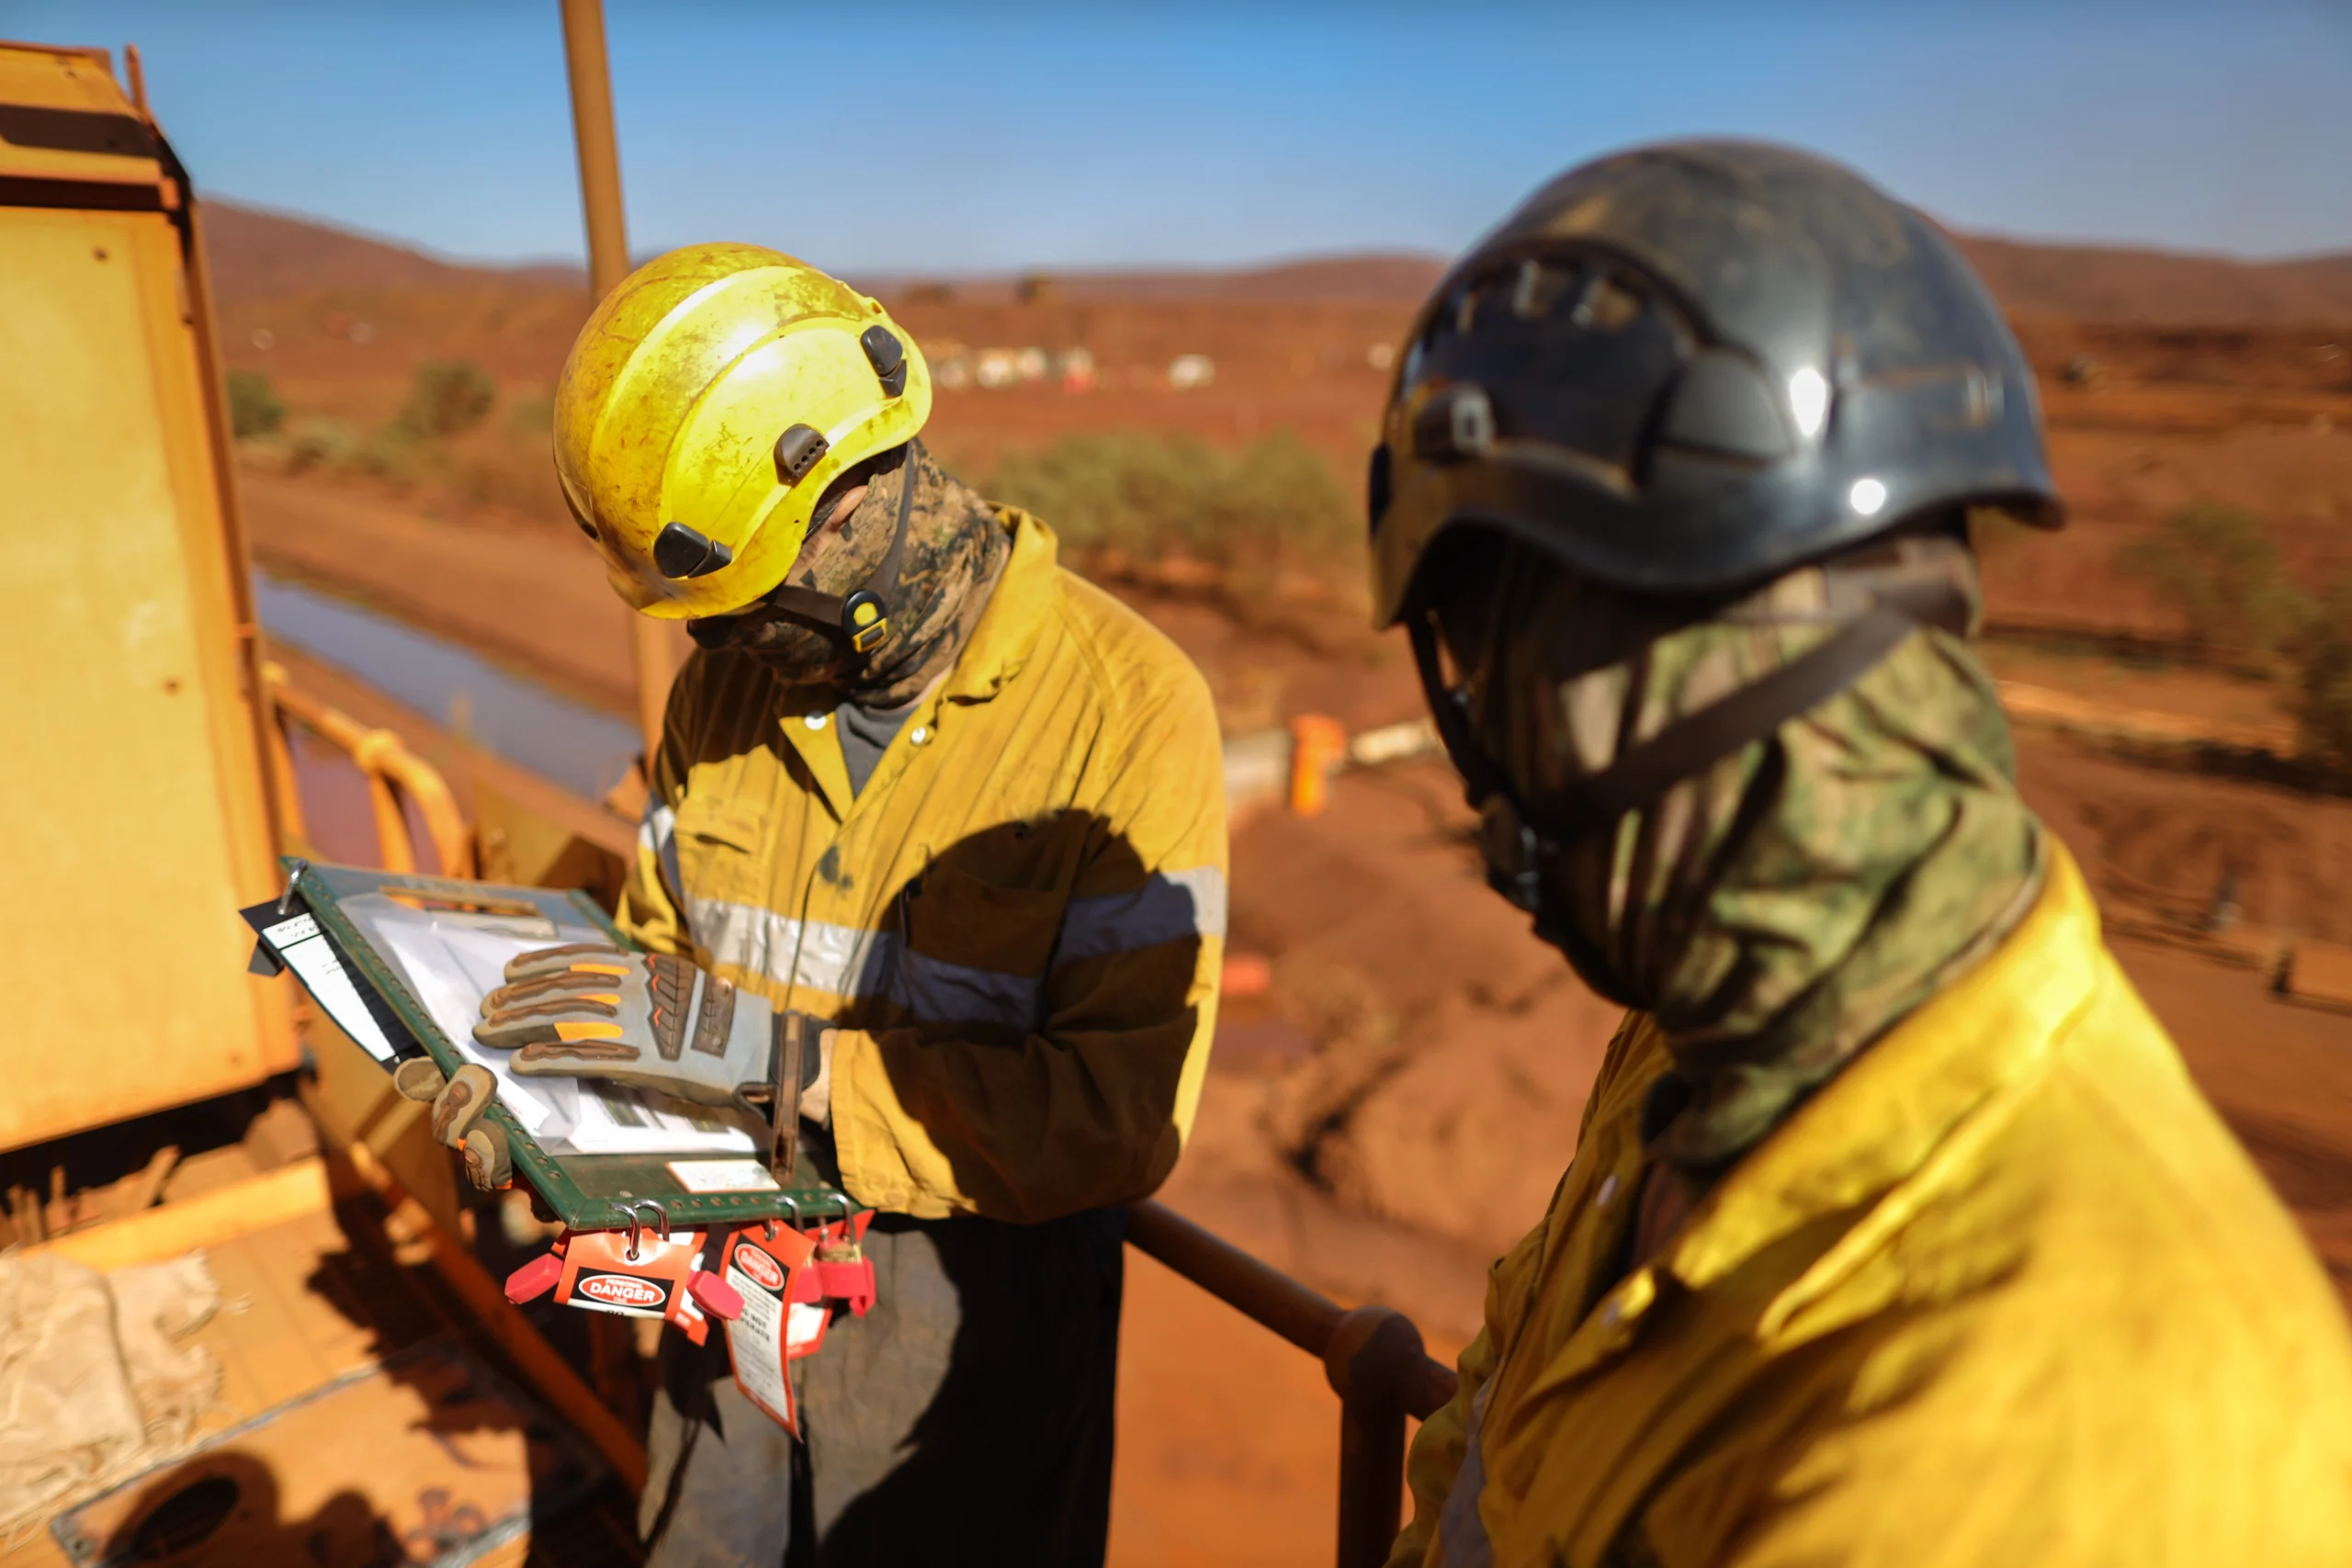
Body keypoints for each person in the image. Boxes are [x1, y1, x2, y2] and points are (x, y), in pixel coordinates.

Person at [1366, 141, 2352, 1566]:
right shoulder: (1703, 1025)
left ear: (1644, 673)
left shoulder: (2082, 1418)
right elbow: (1500, 1424)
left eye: (1489, 662)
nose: (1483, 761)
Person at [548, 243, 1227, 1566]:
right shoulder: (723, 695)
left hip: (965, 1331)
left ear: (850, 503)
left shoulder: (1130, 713)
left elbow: (1118, 1113)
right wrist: (560, 1121)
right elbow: (656, 959)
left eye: (739, 608)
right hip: (724, 1284)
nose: (715, 644)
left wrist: (788, 1071)